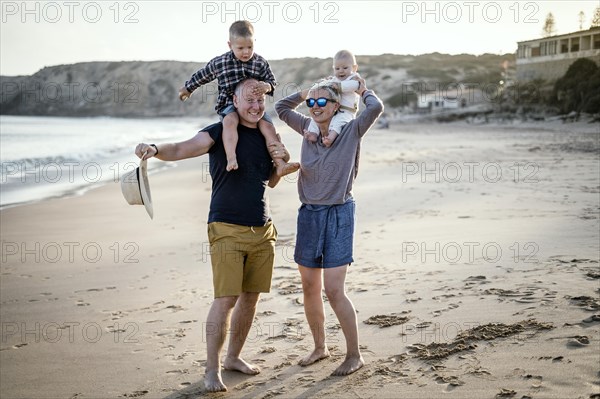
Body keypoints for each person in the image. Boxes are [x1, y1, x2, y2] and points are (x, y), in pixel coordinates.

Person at [136, 79, 290, 392]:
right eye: (249, 100)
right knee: (226, 298)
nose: (256, 106)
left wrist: (281, 162)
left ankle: (233, 357)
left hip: (263, 229)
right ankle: (211, 369)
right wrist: (153, 149)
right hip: (226, 228)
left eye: (260, 101)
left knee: (251, 297)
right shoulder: (219, 131)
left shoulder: (268, 133)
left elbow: (271, 182)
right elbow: (180, 148)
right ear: (233, 99)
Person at [275, 75, 383, 376]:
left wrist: (361, 89)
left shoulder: (350, 130)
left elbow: (375, 108)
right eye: (312, 102)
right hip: (308, 215)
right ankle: (320, 347)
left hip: (338, 214)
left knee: (334, 290)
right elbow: (282, 108)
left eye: (322, 101)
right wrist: (305, 92)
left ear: (336, 106)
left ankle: (354, 355)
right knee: (310, 286)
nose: (315, 106)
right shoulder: (306, 127)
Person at [178, 20, 299, 176]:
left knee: (268, 127)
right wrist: (188, 88)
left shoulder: (260, 62)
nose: (246, 52)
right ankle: (231, 158)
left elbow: (272, 81)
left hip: (253, 106)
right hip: (228, 104)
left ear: (254, 42)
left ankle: (280, 164)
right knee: (230, 121)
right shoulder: (221, 62)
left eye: (250, 47)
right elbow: (203, 75)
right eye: (240, 48)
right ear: (230, 45)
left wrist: (266, 86)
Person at [304, 50, 360, 147]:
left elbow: (354, 86)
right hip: (333, 110)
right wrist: (321, 83)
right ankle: (313, 134)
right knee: (316, 119)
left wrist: (339, 86)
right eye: (337, 68)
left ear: (354, 68)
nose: (341, 71)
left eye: (345, 68)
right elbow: (326, 85)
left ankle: (331, 137)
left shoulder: (354, 78)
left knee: (338, 123)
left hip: (347, 111)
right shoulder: (335, 79)